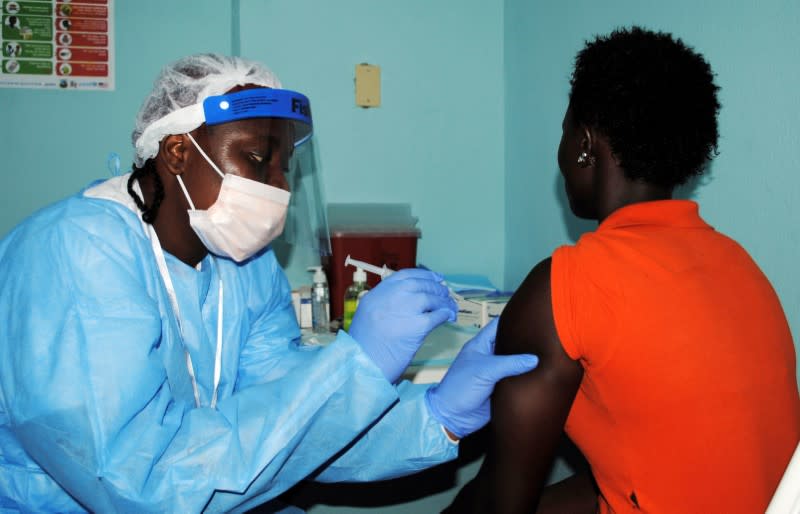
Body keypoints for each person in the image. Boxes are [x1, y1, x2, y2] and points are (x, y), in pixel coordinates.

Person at [0, 53, 538, 513]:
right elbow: (136, 482)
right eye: (257, 159)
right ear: (177, 152)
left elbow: (294, 423)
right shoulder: (76, 253)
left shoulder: (246, 267)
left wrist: (434, 418)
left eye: (285, 168)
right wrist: (355, 362)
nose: (277, 187)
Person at [445, 26, 800, 514]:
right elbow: (649, 472)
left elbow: (501, 502)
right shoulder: (741, 266)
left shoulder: (566, 286)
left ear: (585, 146)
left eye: (566, 129)